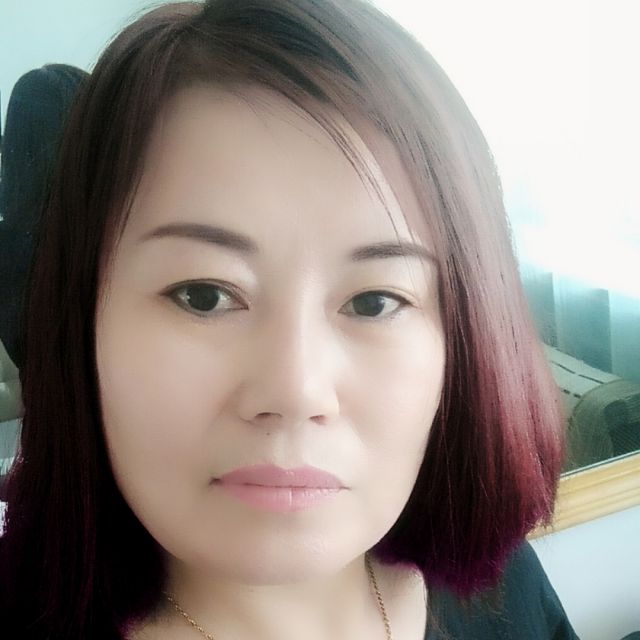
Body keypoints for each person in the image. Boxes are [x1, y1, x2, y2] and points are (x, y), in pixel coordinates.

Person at [0, 1, 579, 638]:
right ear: (82, 325)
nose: (295, 391)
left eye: (374, 301)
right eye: (203, 295)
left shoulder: (500, 590)